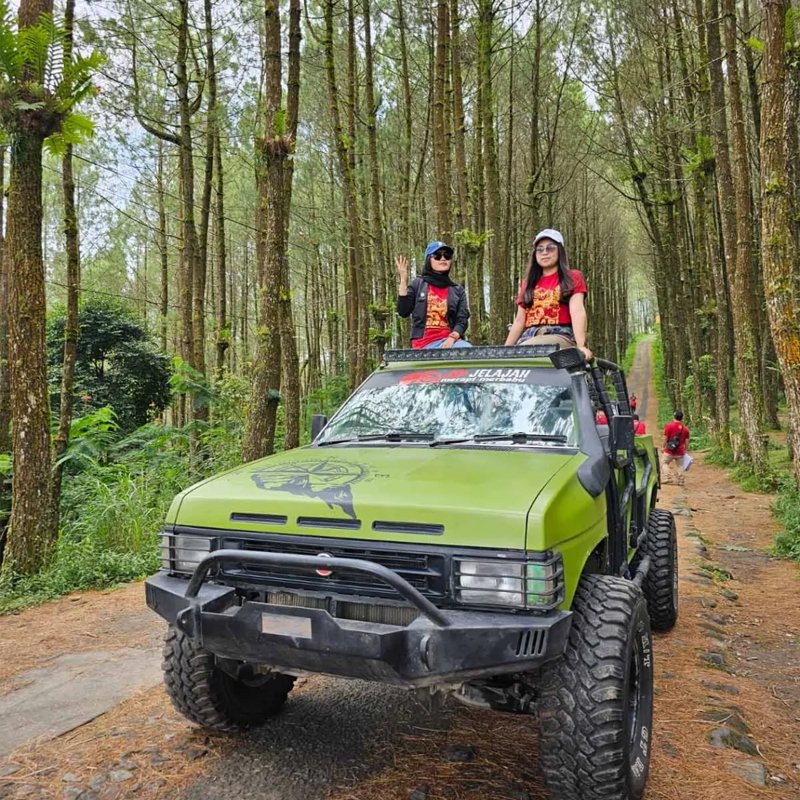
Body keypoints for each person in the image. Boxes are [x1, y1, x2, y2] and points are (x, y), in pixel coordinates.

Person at [504, 229, 592, 359]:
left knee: (526, 351)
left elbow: (578, 311)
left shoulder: (573, 277)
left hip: (560, 334)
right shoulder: (527, 283)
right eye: (539, 249)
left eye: (550, 248)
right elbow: (519, 320)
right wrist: (504, 351)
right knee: (517, 353)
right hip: (529, 336)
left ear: (559, 251)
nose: (544, 252)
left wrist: (581, 345)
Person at [396, 241, 471, 349]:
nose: (443, 259)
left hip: (451, 341)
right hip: (423, 343)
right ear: (428, 260)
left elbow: (462, 319)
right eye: (437, 256)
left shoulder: (457, 290)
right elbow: (403, 311)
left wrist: (452, 337)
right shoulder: (417, 284)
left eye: (447, 255)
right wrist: (403, 280)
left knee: (468, 350)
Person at [662, 410, 690, 485]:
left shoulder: (669, 426)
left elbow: (666, 438)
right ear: (682, 418)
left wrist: (663, 446)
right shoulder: (685, 429)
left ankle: (668, 477)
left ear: (674, 417)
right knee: (680, 466)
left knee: (664, 463)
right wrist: (685, 449)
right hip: (680, 451)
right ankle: (681, 481)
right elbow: (687, 441)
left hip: (669, 450)